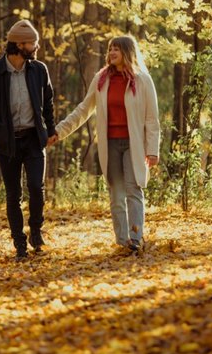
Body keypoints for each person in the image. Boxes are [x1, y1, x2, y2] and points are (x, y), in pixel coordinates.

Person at [50, 35, 160, 255]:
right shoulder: (101, 79)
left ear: (128, 52)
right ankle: (122, 242)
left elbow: (151, 119)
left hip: (133, 144)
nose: (111, 53)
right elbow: (84, 109)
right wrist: (59, 130)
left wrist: (152, 150)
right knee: (116, 193)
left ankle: (136, 238)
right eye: (110, 49)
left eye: (116, 49)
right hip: (110, 144)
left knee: (133, 189)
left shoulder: (142, 80)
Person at [0, 19, 57, 260]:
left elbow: (48, 102)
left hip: (33, 139)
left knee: (36, 187)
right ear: (19, 45)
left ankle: (36, 231)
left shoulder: (39, 70)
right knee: (14, 194)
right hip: (7, 142)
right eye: (33, 43)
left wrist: (50, 128)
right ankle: (19, 242)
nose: (36, 48)